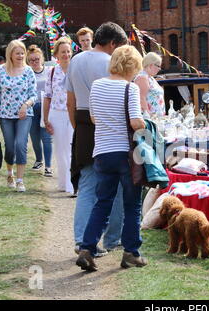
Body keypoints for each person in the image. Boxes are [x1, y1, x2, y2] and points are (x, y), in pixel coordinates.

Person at [76, 45, 147, 271]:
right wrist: (146, 124)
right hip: (126, 154)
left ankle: (87, 248)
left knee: (102, 203)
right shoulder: (130, 89)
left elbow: (94, 118)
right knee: (132, 204)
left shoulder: (97, 85)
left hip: (103, 153)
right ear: (132, 66)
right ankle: (130, 253)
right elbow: (135, 121)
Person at [66, 22, 128, 256]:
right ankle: (113, 238)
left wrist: (77, 128)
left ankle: (82, 239)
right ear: (112, 43)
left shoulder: (75, 60)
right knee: (118, 184)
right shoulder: (110, 63)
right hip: (108, 127)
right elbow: (117, 101)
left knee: (87, 185)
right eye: (118, 47)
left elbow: (70, 100)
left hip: (82, 125)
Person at [0, 40, 37, 192]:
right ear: (10, 54)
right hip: (5, 115)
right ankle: (10, 173)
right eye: (17, 53)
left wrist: (26, 105)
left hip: (25, 115)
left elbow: (34, 95)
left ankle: (20, 180)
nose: (20, 55)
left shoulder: (29, 71)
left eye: (22, 53)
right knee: (10, 147)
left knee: (20, 145)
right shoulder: (0, 70)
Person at [43, 38, 74, 194]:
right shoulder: (52, 71)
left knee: (71, 148)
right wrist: (45, 118)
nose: (66, 54)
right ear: (56, 54)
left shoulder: (76, 69)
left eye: (68, 51)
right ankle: (63, 182)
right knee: (60, 149)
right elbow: (47, 96)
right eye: (63, 52)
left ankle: (71, 184)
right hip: (57, 112)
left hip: (73, 113)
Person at [26, 45, 53, 176]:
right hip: (32, 107)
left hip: (46, 107)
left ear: (42, 59)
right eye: (31, 60)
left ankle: (48, 166)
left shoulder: (49, 70)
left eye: (37, 59)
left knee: (46, 137)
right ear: (28, 61)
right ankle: (38, 159)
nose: (35, 62)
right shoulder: (26, 72)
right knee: (35, 137)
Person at [134, 52, 165, 118]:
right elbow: (141, 98)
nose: (160, 69)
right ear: (151, 65)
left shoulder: (149, 77)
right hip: (150, 118)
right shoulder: (142, 77)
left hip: (156, 118)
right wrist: (149, 117)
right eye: (158, 66)